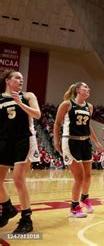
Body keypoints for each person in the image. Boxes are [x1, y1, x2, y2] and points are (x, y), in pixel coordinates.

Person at [53, 82, 103, 218]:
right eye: (85, 87)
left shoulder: (89, 107)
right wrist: (56, 141)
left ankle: (85, 198)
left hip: (85, 142)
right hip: (70, 141)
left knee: (88, 175)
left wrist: (96, 141)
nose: (88, 89)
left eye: (88, 87)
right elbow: (57, 123)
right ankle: (74, 208)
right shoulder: (67, 104)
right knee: (79, 177)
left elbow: (88, 125)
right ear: (77, 90)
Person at [0, 70, 41, 234]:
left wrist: (20, 103)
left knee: (18, 179)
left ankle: (26, 219)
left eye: (22, 78)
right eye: (17, 77)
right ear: (8, 81)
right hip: (4, 141)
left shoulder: (28, 96)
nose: (21, 80)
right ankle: (7, 207)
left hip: (24, 139)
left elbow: (37, 115)